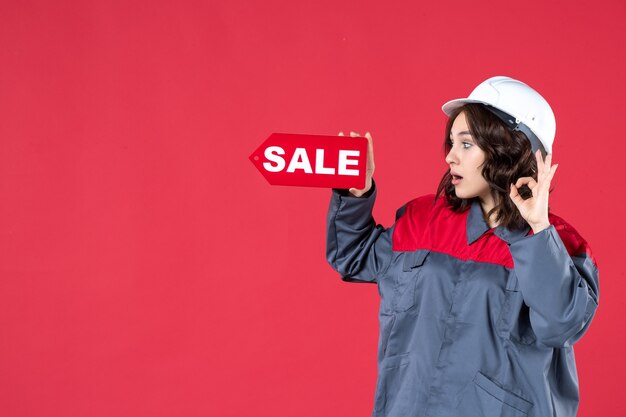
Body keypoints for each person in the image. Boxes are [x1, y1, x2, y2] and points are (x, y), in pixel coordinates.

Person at [326, 76, 599, 417]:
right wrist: (356, 195)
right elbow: (354, 258)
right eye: (451, 142)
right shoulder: (423, 220)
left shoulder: (561, 245)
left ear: (508, 150)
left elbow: (562, 324)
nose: (450, 157)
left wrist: (537, 230)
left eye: (466, 144)